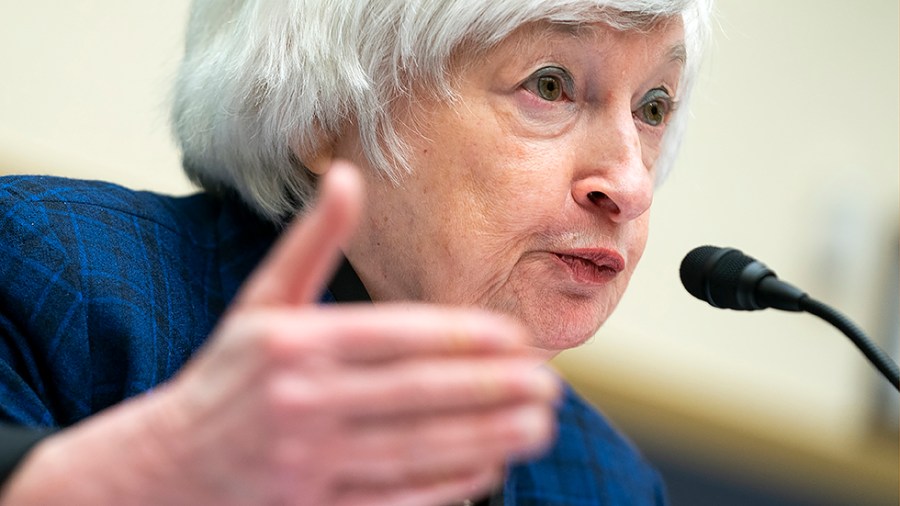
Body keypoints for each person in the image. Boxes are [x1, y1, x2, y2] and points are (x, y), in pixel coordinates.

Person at [0, 0, 711, 504]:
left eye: (653, 107)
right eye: (549, 86)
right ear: (329, 112)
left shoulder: (602, 483)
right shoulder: (50, 276)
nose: (629, 183)